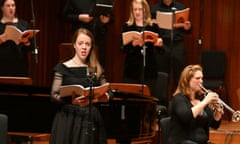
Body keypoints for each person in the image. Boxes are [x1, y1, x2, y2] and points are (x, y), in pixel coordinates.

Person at [49, 28, 111, 144]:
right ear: (74, 45)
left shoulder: (96, 68)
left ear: (91, 46)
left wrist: (99, 98)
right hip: (68, 118)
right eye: (80, 43)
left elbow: (108, 92)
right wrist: (71, 101)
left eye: (87, 44)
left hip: (90, 117)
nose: (84, 47)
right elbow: (53, 95)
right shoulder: (62, 68)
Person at [168, 64, 223, 144]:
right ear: (187, 80)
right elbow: (187, 117)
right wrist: (205, 102)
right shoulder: (178, 99)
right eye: (197, 78)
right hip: (182, 141)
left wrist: (218, 112)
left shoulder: (201, 99)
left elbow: (214, 125)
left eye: (201, 78)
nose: (201, 81)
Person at [120, 0, 163, 95]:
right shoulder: (127, 26)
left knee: (148, 100)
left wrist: (159, 45)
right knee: (131, 101)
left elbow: (161, 51)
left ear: (145, 10)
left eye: (140, 9)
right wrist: (133, 44)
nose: (137, 12)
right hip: (131, 71)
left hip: (149, 70)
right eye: (135, 9)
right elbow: (122, 49)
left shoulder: (153, 27)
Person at [151, 0, 191, 87]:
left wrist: (187, 27)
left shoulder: (181, 8)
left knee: (180, 74)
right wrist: (152, 24)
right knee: (162, 75)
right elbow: (150, 30)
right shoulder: (154, 9)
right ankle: (162, 99)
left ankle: (180, 99)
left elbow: (187, 30)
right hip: (162, 45)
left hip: (177, 44)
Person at [62, 0, 113, 67]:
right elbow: (63, 16)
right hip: (81, 39)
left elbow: (112, 17)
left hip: (99, 40)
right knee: (79, 66)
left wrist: (107, 20)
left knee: (98, 67)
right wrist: (79, 17)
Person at [0, 0, 33, 76]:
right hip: (2, 64)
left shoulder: (23, 24)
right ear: (2, 8)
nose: (11, 8)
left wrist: (26, 42)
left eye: (13, 5)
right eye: (8, 6)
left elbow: (31, 47)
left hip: (20, 65)